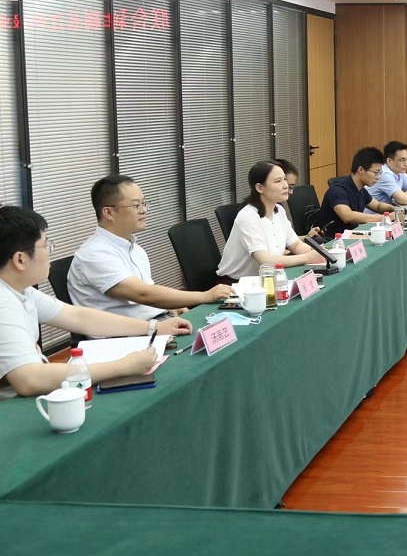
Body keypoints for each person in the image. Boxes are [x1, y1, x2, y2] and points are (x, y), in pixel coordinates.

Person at [0, 206, 192, 398]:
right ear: (20, 260)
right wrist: (123, 366)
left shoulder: (22, 290)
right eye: (45, 246)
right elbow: (30, 379)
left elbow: (79, 317)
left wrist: (153, 328)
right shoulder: (4, 303)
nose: (50, 251)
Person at [68, 175, 232, 320]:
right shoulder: (94, 255)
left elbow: (148, 293)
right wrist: (204, 296)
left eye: (144, 203)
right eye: (136, 205)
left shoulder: (135, 249)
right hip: (126, 337)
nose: (144, 210)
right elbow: (143, 294)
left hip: (157, 324)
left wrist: (173, 306)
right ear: (108, 213)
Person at [216, 161, 325, 282]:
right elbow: (265, 260)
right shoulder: (248, 216)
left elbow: (295, 245)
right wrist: (308, 258)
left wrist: (319, 253)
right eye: (278, 181)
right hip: (237, 283)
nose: (285, 185)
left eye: (284, 179)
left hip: (269, 276)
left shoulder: (279, 210)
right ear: (259, 188)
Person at [315, 147, 396, 237]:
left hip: (351, 236)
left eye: (380, 173)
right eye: (376, 172)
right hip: (332, 240)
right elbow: (347, 216)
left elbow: (378, 206)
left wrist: (396, 210)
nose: (378, 177)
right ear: (360, 170)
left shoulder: (361, 190)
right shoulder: (337, 190)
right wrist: (384, 218)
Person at [365, 141, 407, 211]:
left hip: (388, 214)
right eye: (402, 160)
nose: (406, 164)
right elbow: (403, 200)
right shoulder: (384, 174)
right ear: (389, 161)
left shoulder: (400, 172)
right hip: (373, 216)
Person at [274, 158, 322, 241]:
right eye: (289, 187)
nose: (291, 192)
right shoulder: (254, 215)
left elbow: (288, 240)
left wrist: (307, 237)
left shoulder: (279, 208)